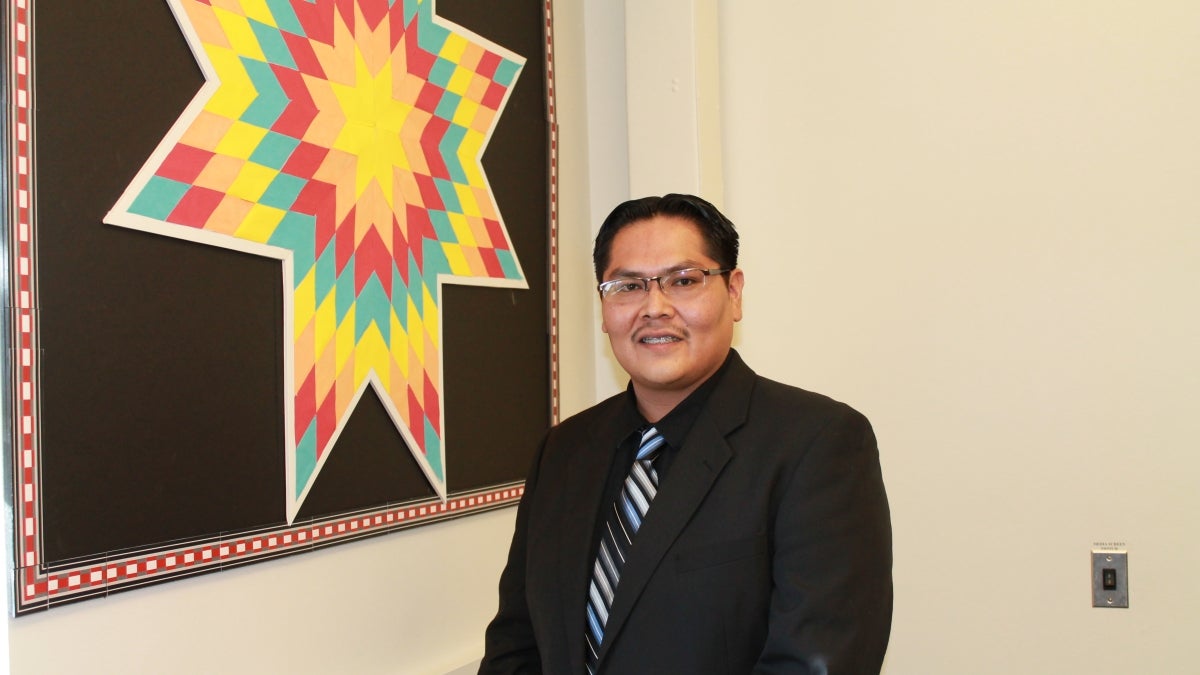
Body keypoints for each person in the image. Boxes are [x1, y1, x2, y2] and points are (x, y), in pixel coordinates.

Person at [480, 194, 892, 674]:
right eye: (628, 286)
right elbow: (517, 641)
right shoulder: (563, 450)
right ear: (604, 306)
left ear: (734, 292)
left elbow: (817, 662)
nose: (654, 308)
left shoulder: (818, 443)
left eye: (683, 281)